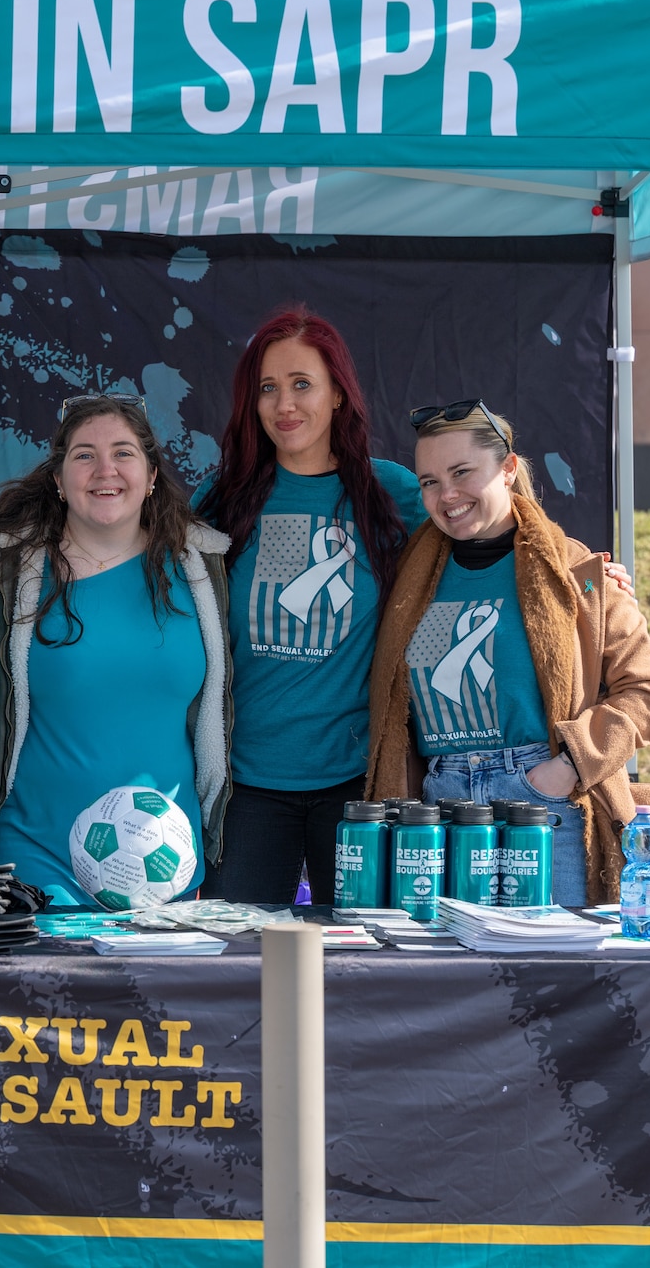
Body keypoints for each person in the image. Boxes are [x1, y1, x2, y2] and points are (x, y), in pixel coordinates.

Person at [365, 400, 650, 905]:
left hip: (544, 806)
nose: (447, 495)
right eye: (429, 482)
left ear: (508, 469)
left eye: (462, 472)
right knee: (438, 980)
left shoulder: (578, 574)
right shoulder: (404, 576)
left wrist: (565, 769)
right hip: (438, 813)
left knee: (552, 978)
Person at [194, 308, 426, 905]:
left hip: (357, 782)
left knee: (359, 966)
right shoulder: (221, 501)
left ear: (339, 395)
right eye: (267, 388)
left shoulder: (392, 493)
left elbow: (484, 530)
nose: (284, 404)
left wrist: (585, 574)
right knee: (239, 969)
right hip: (246, 783)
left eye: (302, 384)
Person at [0, 396, 231, 905]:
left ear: (151, 474)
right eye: (84, 455)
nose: (105, 470)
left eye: (123, 453)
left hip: (163, 866)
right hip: (34, 859)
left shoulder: (201, 570)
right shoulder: (7, 571)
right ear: (59, 480)